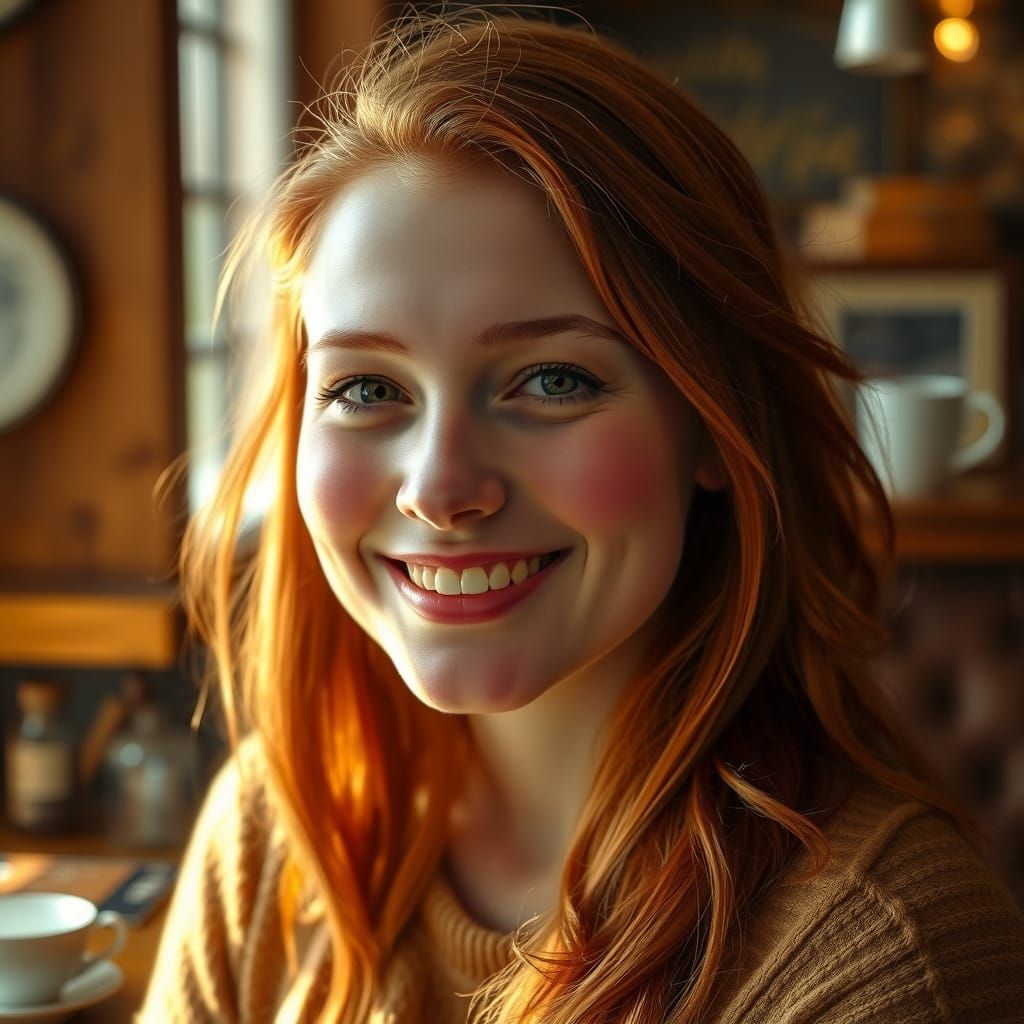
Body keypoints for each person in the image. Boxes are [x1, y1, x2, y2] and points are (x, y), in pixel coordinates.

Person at [140, 9, 1024, 1023]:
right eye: (366, 389)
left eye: (551, 379)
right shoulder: (278, 827)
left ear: (710, 426)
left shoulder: (887, 955)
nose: (438, 485)